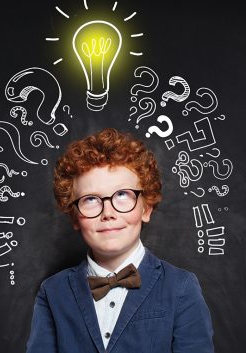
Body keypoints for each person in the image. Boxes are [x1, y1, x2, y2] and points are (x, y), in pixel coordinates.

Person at [26, 128, 214, 353]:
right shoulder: (52, 292)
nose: (108, 213)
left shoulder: (181, 287)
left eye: (123, 195)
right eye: (91, 199)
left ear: (146, 208)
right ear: (74, 216)